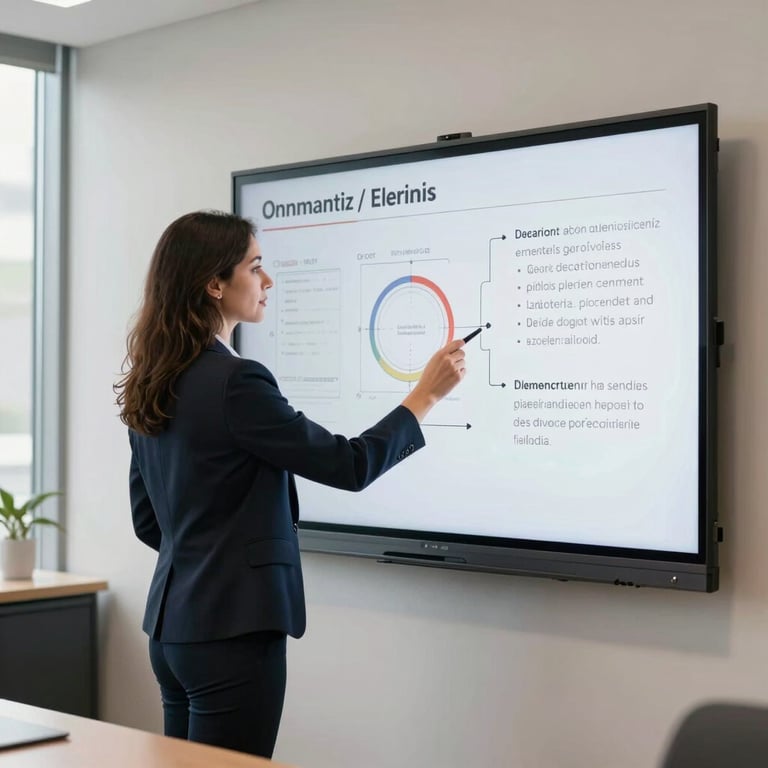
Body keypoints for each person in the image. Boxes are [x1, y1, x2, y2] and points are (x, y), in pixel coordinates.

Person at [115, 210, 467, 758]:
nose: (268, 281)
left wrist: (207, 560)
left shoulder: (156, 377)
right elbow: (349, 466)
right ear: (214, 283)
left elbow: (147, 519)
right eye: (255, 267)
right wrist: (424, 396)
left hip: (172, 631)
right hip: (232, 634)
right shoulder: (237, 381)